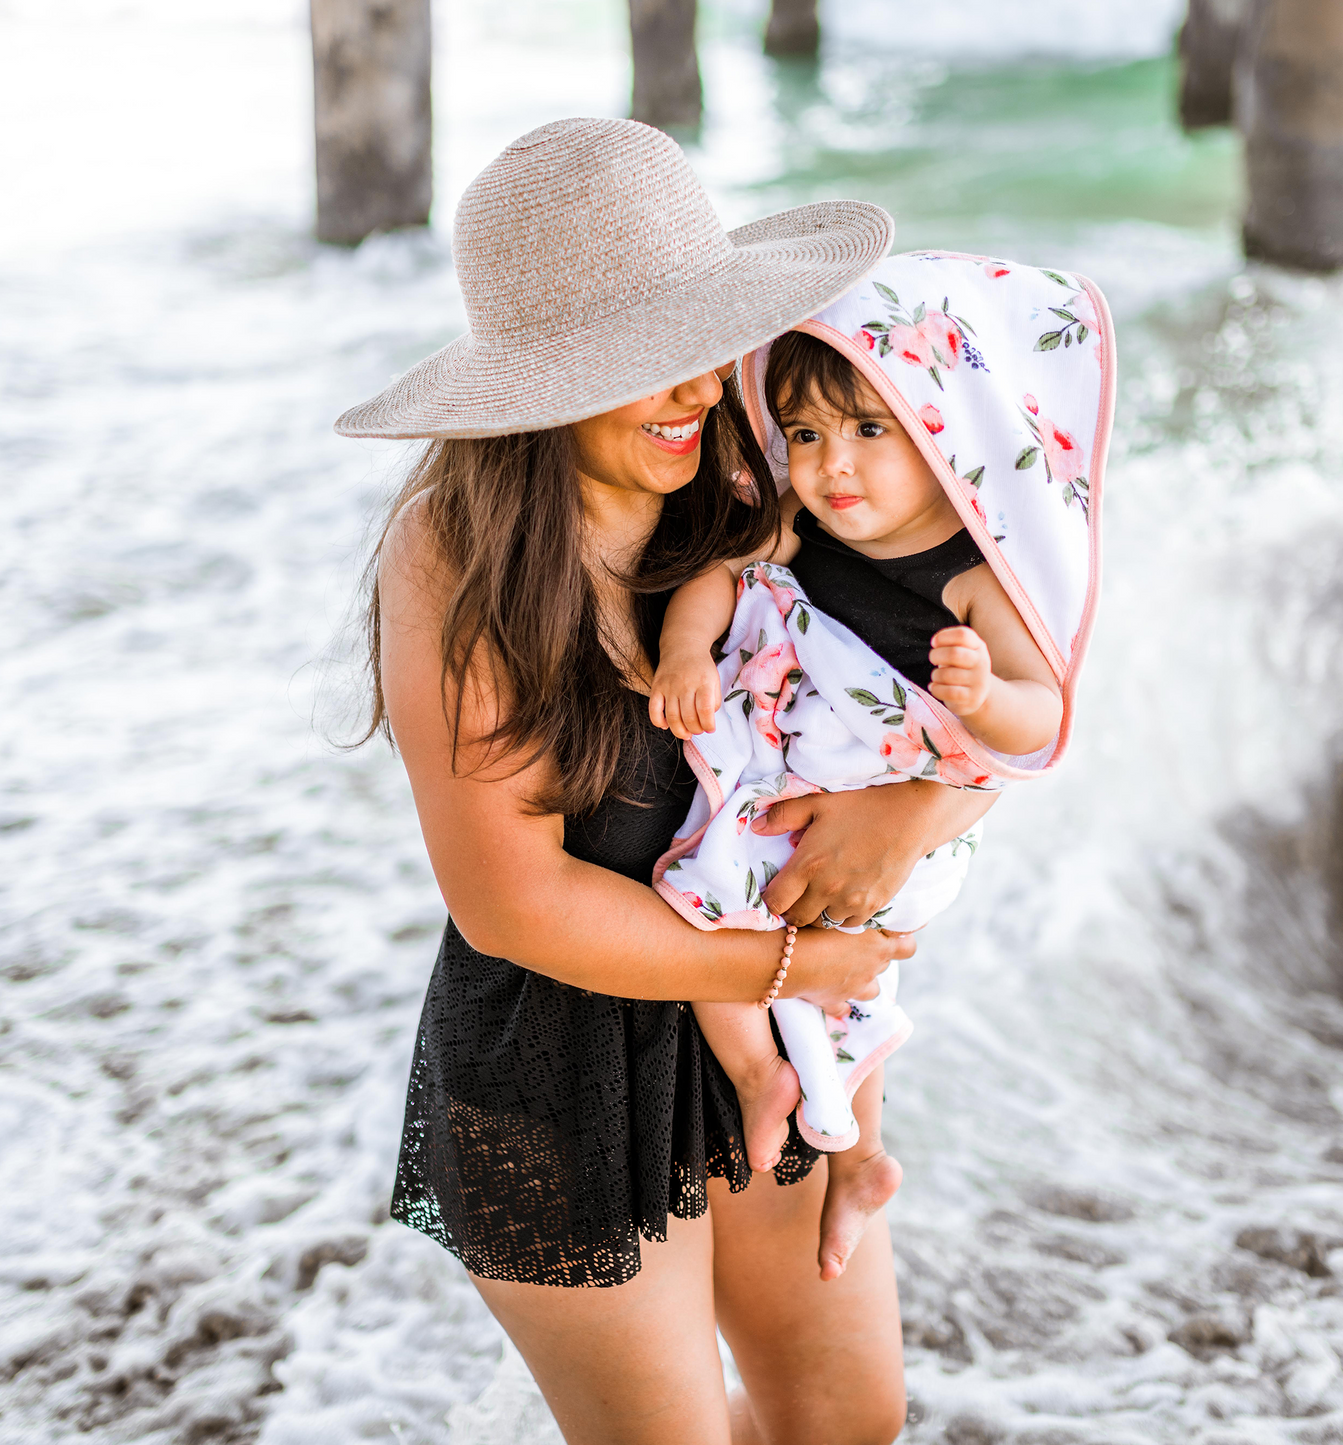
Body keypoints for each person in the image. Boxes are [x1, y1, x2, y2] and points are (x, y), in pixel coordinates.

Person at [336, 119, 998, 1445]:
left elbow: (980, 690)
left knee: (843, 1421)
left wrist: (910, 811)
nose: (693, 384)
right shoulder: (454, 556)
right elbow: (511, 906)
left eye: (703, 335)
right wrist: (787, 970)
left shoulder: (766, 470)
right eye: (640, 364)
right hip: (560, 1060)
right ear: (537, 381)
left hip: (765, 1026)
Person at [648, 310, 1066, 1280]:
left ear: (938, 432)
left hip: (884, 812)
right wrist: (681, 651)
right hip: (789, 781)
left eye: (868, 430)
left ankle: (848, 1141)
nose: (832, 463)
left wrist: (986, 696)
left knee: (826, 965)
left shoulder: (973, 575)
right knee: (717, 917)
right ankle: (807, 1114)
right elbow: (723, 578)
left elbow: (1041, 720)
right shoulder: (802, 526)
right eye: (804, 434)